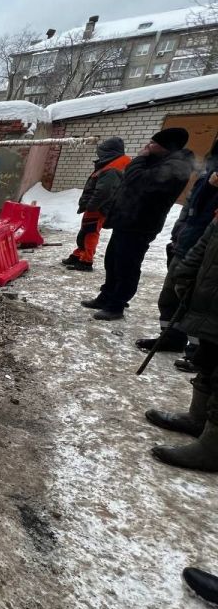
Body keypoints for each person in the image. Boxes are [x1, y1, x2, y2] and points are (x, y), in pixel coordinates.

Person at [81, 127, 194, 320]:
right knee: (113, 261)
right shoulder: (158, 161)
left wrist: (140, 158)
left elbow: (136, 180)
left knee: (127, 265)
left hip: (141, 224)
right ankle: (106, 296)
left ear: (166, 147)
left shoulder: (175, 166)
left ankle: (117, 305)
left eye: (153, 144)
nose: (147, 146)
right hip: (126, 219)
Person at [136, 139, 218, 369]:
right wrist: (178, 234)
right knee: (170, 296)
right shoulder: (208, 175)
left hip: (208, 252)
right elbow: (191, 209)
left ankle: (197, 352)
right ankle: (171, 337)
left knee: (196, 305)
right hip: (186, 244)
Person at [148, 218, 218, 472]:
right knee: (208, 359)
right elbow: (208, 237)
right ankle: (198, 418)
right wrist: (186, 272)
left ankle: (212, 448)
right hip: (210, 293)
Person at [61, 137, 130, 272]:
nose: (99, 154)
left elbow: (104, 191)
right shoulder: (111, 164)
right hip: (97, 206)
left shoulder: (112, 168)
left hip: (98, 207)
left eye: (102, 151)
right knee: (85, 232)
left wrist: (92, 205)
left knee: (90, 233)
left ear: (110, 152)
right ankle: (78, 254)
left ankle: (86, 261)